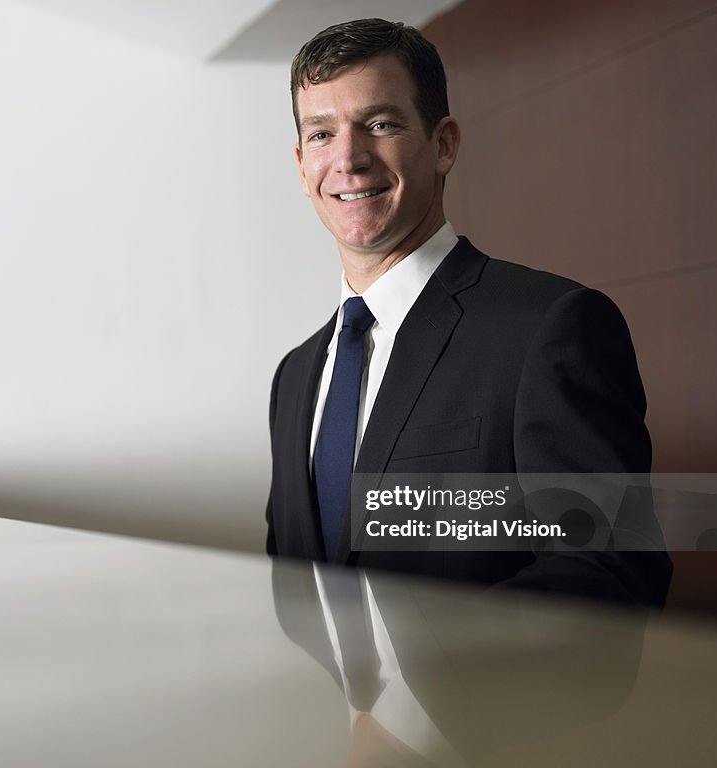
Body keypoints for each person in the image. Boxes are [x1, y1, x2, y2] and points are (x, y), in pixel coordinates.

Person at [265, 18, 671, 607]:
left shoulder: (551, 328)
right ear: (302, 166)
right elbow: (294, 586)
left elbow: (612, 569)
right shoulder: (295, 376)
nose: (349, 159)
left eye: (379, 124)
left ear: (445, 143)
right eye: (323, 134)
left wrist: (429, 690)